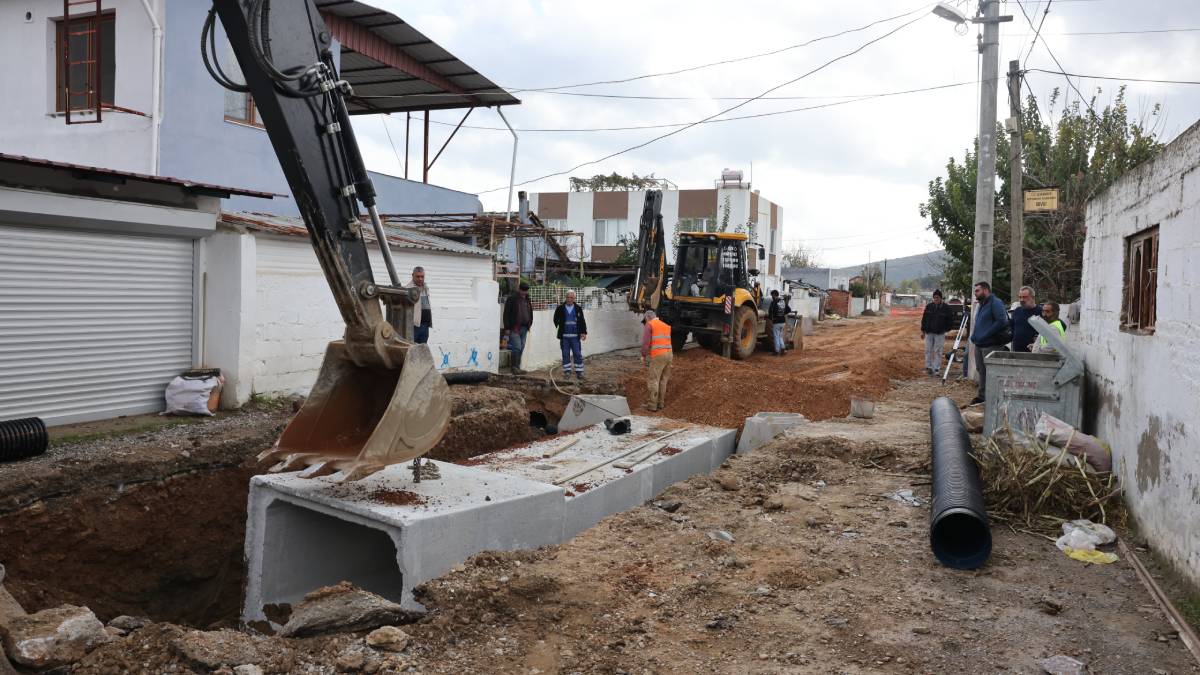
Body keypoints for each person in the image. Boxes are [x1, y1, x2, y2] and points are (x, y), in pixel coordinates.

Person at [969, 281, 1011, 405]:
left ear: (986, 290)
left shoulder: (995, 302)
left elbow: (1001, 321)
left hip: (991, 344)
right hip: (980, 344)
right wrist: (975, 336)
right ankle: (982, 396)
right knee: (981, 370)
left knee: (991, 371)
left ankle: (993, 397)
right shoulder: (982, 304)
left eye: (977, 291)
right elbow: (979, 323)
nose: (975, 293)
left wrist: (985, 334)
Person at [640, 310, 673, 411]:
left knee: (654, 379)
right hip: (669, 354)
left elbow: (646, 342)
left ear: (647, 317)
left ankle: (652, 405)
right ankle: (660, 403)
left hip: (658, 355)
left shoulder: (650, 324)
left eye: (645, 320)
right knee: (663, 380)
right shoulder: (665, 325)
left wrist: (643, 355)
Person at [553, 290, 588, 380]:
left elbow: (582, 321)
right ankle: (567, 371)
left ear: (574, 298)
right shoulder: (560, 308)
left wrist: (583, 332)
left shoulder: (578, 308)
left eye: (571, 298)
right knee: (565, 354)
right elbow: (555, 319)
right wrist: (559, 328)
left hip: (575, 337)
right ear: (566, 298)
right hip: (564, 337)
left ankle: (579, 372)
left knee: (577, 353)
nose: (569, 299)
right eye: (568, 297)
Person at [503, 282, 534, 375]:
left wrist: (530, 323)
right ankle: (514, 368)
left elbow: (530, 312)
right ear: (519, 289)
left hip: (524, 327)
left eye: (526, 290)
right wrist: (507, 328)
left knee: (522, 347)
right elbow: (506, 314)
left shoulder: (527, 300)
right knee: (517, 347)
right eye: (523, 290)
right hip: (514, 327)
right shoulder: (512, 299)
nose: (524, 292)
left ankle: (518, 367)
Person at [920, 289, 953, 375]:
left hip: (939, 333)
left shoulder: (946, 308)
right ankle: (929, 367)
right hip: (929, 332)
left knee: (938, 351)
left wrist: (946, 329)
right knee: (928, 350)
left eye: (937, 297)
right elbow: (924, 320)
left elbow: (950, 321)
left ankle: (936, 369)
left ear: (941, 298)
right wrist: (923, 331)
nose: (936, 299)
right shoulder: (929, 307)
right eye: (934, 297)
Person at [1011, 285, 1040, 352]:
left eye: (1024, 297)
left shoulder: (1041, 312)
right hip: (1017, 352)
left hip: (1034, 352)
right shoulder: (1017, 311)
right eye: (1020, 297)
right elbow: (1012, 329)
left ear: (1033, 297)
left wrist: (1037, 344)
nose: (1021, 300)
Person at [410, 266, 432, 344]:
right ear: (412, 275)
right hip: (414, 327)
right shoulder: (408, 289)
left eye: (422, 277)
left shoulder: (426, 288)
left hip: (425, 326)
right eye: (418, 276)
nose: (420, 279)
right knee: (412, 348)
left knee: (422, 348)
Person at [766, 289, 791, 356]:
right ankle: (782, 348)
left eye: (772, 295)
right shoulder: (783, 301)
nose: (772, 297)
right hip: (783, 322)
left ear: (774, 295)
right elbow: (789, 310)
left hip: (776, 322)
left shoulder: (773, 302)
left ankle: (777, 351)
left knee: (776, 336)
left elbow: (770, 312)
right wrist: (782, 314)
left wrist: (771, 318)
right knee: (780, 336)